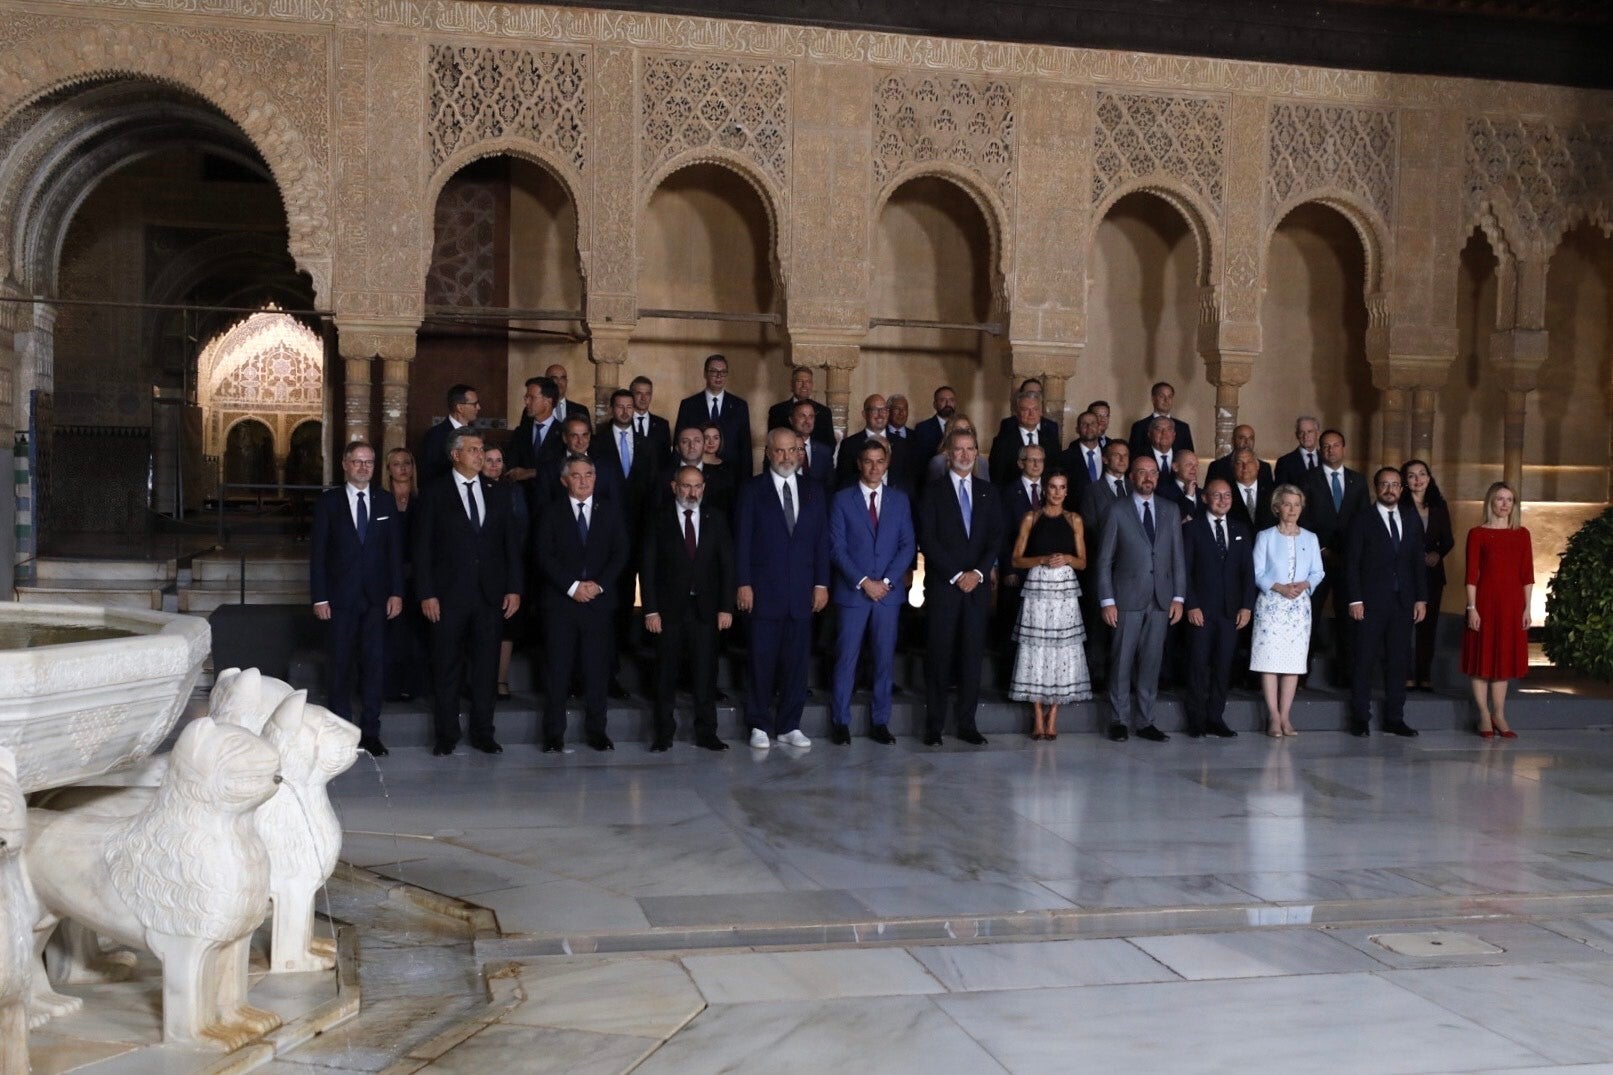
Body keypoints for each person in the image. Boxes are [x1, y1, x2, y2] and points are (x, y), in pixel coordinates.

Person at [412, 429, 524, 756]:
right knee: (447, 666)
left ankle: (483, 732)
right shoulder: (434, 493)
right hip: (447, 597)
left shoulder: (498, 492)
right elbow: (422, 549)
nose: (480, 455)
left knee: (487, 668)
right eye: (473, 450)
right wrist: (426, 593)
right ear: (455, 455)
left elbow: (510, 546)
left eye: (481, 450)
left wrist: (514, 588)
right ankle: (447, 734)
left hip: (490, 595)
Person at [736, 428, 830, 749]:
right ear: (768, 453)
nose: (787, 457)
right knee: (761, 661)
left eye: (793, 450)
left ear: (800, 453)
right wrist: (743, 583)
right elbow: (743, 542)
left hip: (802, 594)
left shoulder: (815, 490)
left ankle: (790, 724)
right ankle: (759, 724)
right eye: (780, 451)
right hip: (763, 593)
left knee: (796, 663)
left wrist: (821, 583)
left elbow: (821, 543)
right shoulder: (752, 490)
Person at [310, 441, 404, 757]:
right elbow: (318, 555)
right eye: (358, 461)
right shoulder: (329, 503)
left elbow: (394, 552)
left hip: (377, 599)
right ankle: (341, 734)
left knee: (374, 667)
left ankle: (370, 733)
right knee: (340, 667)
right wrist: (320, 597)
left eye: (369, 462)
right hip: (339, 599)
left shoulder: (385, 501)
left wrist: (396, 592)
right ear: (345, 464)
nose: (364, 467)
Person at [534, 456, 630, 752]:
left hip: (598, 603)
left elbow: (621, 552)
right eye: (577, 476)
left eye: (589, 474)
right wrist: (572, 586)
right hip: (561, 604)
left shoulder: (610, 511)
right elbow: (543, 555)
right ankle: (553, 734)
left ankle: (597, 731)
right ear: (565, 481)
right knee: (558, 671)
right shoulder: (550, 512)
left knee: (596, 670)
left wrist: (598, 585)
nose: (584, 480)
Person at [917, 428, 1003, 746]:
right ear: (948, 454)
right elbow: (928, 538)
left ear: (976, 452)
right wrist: (956, 575)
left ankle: (967, 723)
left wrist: (978, 573)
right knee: (939, 656)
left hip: (977, 589)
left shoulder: (988, 492)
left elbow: (996, 536)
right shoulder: (933, 491)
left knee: (971, 657)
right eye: (959, 449)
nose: (965, 455)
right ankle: (934, 726)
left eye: (970, 449)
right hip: (945, 586)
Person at [642, 465, 736, 752]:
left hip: (705, 611)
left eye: (697, 486)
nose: (692, 492)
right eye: (686, 486)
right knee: (665, 674)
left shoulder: (716, 518)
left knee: (706, 674)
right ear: (674, 486)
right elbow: (647, 568)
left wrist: (726, 607)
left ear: (703, 488)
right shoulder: (658, 519)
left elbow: (727, 566)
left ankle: (707, 732)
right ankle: (663, 733)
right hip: (668, 611)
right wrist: (650, 610)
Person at [827, 439, 914, 745]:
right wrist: (864, 581)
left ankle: (880, 721)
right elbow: (836, 549)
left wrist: (887, 582)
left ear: (886, 463)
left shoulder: (899, 500)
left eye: (880, 461)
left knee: (883, 659)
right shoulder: (841, 500)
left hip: (888, 595)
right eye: (868, 461)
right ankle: (840, 721)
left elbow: (907, 546)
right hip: (853, 594)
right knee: (846, 659)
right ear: (859, 464)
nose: (874, 467)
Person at [1095, 455, 1185, 742]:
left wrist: (1179, 597)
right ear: (1132, 477)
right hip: (1125, 599)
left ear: (1158, 478)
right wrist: (1107, 600)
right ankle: (1119, 719)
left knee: (1151, 662)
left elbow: (1177, 559)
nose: (1148, 477)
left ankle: (1146, 721)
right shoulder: (1116, 510)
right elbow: (1104, 561)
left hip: (1161, 599)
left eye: (1152, 473)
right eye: (1141, 472)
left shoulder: (1170, 510)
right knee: (1122, 661)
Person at [1344, 467, 1427, 737]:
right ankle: (1359, 717)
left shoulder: (1411, 518)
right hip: (1369, 601)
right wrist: (1355, 599)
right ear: (1376, 488)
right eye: (1384, 484)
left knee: (1398, 661)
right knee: (1364, 659)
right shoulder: (1362, 519)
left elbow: (1417, 562)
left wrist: (1420, 599)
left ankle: (1395, 718)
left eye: (1395, 484)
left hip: (1403, 601)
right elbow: (1352, 564)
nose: (1390, 489)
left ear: (1402, 489)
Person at [1008, 471, 1090, 740]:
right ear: (1045, 490)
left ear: (1067, 491)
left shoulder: (1074, 519)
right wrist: (1042, 559)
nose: (1057, 492)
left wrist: (1067, 557)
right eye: (1052, 487)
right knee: (1036, 648)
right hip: (1038, 587)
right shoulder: (1031, 517)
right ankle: (1037, 714)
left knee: (1063, 649)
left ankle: (1053, 715)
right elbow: (1017, 559)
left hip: (1065, 590)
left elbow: (1082, 562)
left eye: (1062, 487)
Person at [1181, 479, 1255, 739]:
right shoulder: (1192, 529)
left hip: (1230, 612)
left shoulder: (1240, 529)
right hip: (1201, 610)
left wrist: (1246, 606)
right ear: (1204, 498)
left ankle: (1216, 717)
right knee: (1198, 665)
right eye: (1216, 495)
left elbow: (1248, 573)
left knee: (1224, 666)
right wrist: (1191, 604)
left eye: (1227, 495)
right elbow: (1185, 572)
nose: (1223, 500)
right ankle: (1196, 719)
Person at [1250, 484, 1325, 737]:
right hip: (1271, 605)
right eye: (1287, 504)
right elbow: (1257, 572)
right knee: (1270, 661)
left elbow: (1318, 571)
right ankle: (1273, 717)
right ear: (1276, 507)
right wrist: (1280, 588)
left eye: (1296, 504)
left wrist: (1305, 584)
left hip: (1299, 607)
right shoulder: (1266, 536)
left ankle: (1286, 717)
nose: (1292, 509)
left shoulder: (1311, 538)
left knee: (1293, 663)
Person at [1462, 481, 1534, 739]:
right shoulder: (1478, 533)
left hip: (1512, 605)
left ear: (1514, 504)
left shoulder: (1522, 534)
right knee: (1482, 660)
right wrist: (1472, 608)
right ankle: (1483, 713)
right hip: (1484, 603)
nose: (1504, 504)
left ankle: (1499, 713)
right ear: (1490, 502)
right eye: (1499, 499)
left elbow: (1527, 575)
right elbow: (1471, 575)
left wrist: (1527, 609)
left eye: (1509, 500)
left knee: (1502, 660)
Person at [1300, 429, 1368, 678]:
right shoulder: (1307, 479)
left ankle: (1346, 675)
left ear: (1344, 448)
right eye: (1326, 446)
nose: (1331, 450)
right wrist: (1322, 549)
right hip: (1316, 559)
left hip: (1349, 561)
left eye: (1336, 445)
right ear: (1320, 450)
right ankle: (1301, 674)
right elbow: (1302, 517)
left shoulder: (1358, 481)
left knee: (1348, 619)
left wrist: (1353, 553)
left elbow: (1363, 520)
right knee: (1311, 617)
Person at [1402, 458, 1454, 691]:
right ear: (1405, 480)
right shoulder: (1399, 506)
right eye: (1412, 475)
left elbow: (1448, 540)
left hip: (1432, 573)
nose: (1417, 479)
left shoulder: (1439, 506)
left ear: (1429, 478)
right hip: (1406, 573)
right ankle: (1405, 674)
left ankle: (1424, 675)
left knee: (1428, 628)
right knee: (1404, 625)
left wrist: (1437, 553)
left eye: (1422, 474)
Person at [482, 445, 529, 701]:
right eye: (489, 460)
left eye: (499, 460)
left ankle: (500, 680)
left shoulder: (514, 491)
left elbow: (521, 527)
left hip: (509, 565)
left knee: (507, 625)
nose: (494, 465)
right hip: (481, 569)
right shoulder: (473, 491)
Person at [381, 446, 426, 702]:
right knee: (392, 634)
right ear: (388, 469)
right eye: (396, 463)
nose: (402, 468)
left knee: (416, 634)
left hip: (418, 577)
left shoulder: (423, 499)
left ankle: (414, 686)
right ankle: (391, 686)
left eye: (407, 462)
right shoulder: (380, 500)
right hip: (387, 577)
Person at [676, 353, 752, 475]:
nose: (718, 376)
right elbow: (679, 443)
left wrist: (746, 483)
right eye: (714, 371)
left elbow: (745, 449)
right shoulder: (689, 405)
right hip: (696, 474)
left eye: (723, 372)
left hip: (731, 476)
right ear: (705, 374)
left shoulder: (740, 406)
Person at [836, 394, 915, 492]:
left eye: (884, 410)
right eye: (874, 410)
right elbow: (844, 482)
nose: (880, 415)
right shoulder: (849, 444)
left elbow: (910, 482)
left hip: (895, 503)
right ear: (864, 414)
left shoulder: (902, 444)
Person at [505, 376, 564, 504]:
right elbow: (511, 466)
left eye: (531, 397)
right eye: (526, 397)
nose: (526, 402)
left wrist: (533, 472)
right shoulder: (521, 432)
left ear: (547, 401)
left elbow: (564, 468)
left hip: (553, 503)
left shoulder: (564, 434)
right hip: (522, 503)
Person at [989, 391, 1059, 488]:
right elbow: (997, 477)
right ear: (1017, 413)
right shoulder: (1002, 441)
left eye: (1035, 409)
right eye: (1025, 409)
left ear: (1041, 412)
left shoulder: (1051, 440)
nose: (1031, 414)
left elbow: (1055, 471)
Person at [420, 383, 480, 486]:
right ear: (460, 408)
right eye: (474, 404)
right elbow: (430, 474)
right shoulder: (435, 435)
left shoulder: (476, 434)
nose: (479, 407)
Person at [766, 366, 834, 449]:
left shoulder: (824, 412)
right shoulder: (777, 411)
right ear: (792, 384)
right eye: (799, 381)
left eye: (808, 382)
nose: (804, 385)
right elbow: (771, 443)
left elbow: (830, 444)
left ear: (812, 385)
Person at [1127, 381, 1194, 460]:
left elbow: (1189, 457)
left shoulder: (1183, 427)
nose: (1166, 400)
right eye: (1162, 396)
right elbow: (1134, 457)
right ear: (1153, 399)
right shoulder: (1139, 426)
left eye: (1170, 397)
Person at [1207, 424, 1275, 487]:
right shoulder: (1217, 467)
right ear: (1233, 440)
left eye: (1251, 438)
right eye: (1242, 438)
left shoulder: (1264, 467)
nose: (1247, 442)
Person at [1227, 448, 1276, 533]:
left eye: (1249, 462)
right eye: (1239, 463)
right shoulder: (1226, 493)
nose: (1245, 467)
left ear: (1257, 466)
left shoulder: (1273, 491)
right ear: (1233, 467)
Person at [1061, 410, 1106, 498]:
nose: (1089, 427)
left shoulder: (1109, 455)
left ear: (1099, 427)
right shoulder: (1065, 458)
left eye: (1093, 423)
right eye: (1084, 424)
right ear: (1077, 429)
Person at [791, 399, 835, 490]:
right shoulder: (779, 448)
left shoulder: (824, 451)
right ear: (791, 420)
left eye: (811, 416)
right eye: (802, 416)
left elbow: (830, 486)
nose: (807, 421)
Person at [925, 413, 979, 484]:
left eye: (968, 429)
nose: (963, 433)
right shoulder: (938, 462)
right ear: (949, 433)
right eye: (958, 430)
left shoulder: (982, 463)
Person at [628, 374, 672, 461]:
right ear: (631, 395)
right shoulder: (622, 423)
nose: (643, 398)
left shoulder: (662, 425)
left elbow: (666, 458)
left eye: (647, 394)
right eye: (639, 393)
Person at [911, 385, 958, 463]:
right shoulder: (922, 429)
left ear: (956, 403)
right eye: (943, 400)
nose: (948, 403)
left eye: (951, 400)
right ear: (935, 404)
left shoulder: (964, 426)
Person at [1273, 415, 1322, 488]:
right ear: (1297, 435)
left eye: (1309, 431)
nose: (1305, 436)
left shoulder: (1326, 460)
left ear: (1317, 434)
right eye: (1302, 432)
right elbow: (1280, 493)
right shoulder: (1284, 462)